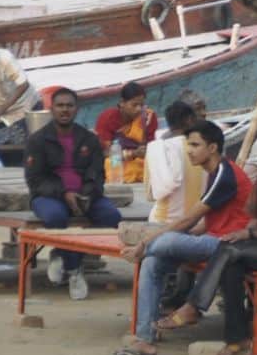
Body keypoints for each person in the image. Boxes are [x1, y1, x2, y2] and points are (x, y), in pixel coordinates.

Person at [161, 128, 257, 355]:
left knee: (230, 251)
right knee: (231, 260)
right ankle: (236, 339)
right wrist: (245, 234)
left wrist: (250, 234)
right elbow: (252, 218)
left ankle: (194, 306)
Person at [112, 121, 252, 355]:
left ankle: (144, 249)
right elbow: (204, 223)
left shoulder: (224, 174)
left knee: (163, 243)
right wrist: (164, 241)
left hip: (227, 247)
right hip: (211, 239)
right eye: (188, 144)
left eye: (195, 145)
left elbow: (189, 218)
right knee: (152, 263)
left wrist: (144, 244)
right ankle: (144, 339)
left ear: (212, 147)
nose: (189, 150)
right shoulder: (213, 172)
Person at [24, 86, 122, 300]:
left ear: (77, 109)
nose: (65, 110)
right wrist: (65, 194)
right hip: (49, 196)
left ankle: (61, 252)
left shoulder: (89, 139)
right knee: (56, 216)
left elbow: (97, 174)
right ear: (52, 109)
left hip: (85, 195)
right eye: (60, 105)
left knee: (112, 216)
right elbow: (35, 180)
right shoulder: (38, 140)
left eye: (69, 106)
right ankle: (75, 269)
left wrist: (87, 194)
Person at [143, 99, 205, 224]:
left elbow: (150, 195)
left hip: (162, 223)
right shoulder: (205, 148)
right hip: (198, 222)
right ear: (189, 120)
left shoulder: (156, 149)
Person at [94, 81, 158, 184]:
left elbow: (152, 146)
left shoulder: (148, 117)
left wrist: (145, 151)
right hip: (117, 162)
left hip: (141, 163)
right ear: (122, 103)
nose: (138, 109)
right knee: (109, 163)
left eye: (141, 105)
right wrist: (132, 154)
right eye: (134, 105)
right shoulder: (108, 118)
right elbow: (105, 153)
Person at [0, 46, 34, 147]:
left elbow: (23, 84)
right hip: (1, 114)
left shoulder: (4, 57)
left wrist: (0, 111)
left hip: (24, 108)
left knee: (19, 147)